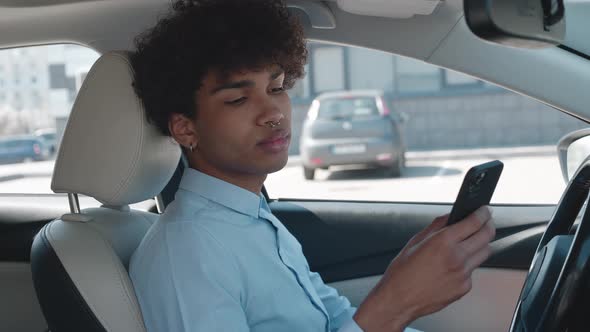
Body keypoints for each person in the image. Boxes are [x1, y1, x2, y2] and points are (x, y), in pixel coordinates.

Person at [128, 1, 496, 331]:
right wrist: (397, 302)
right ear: (185, 127)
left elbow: (331, 321)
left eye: (276, 88)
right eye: (239, 99)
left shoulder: (252, 218)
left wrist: (403, 277)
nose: (273, 113)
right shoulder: (187, 252)